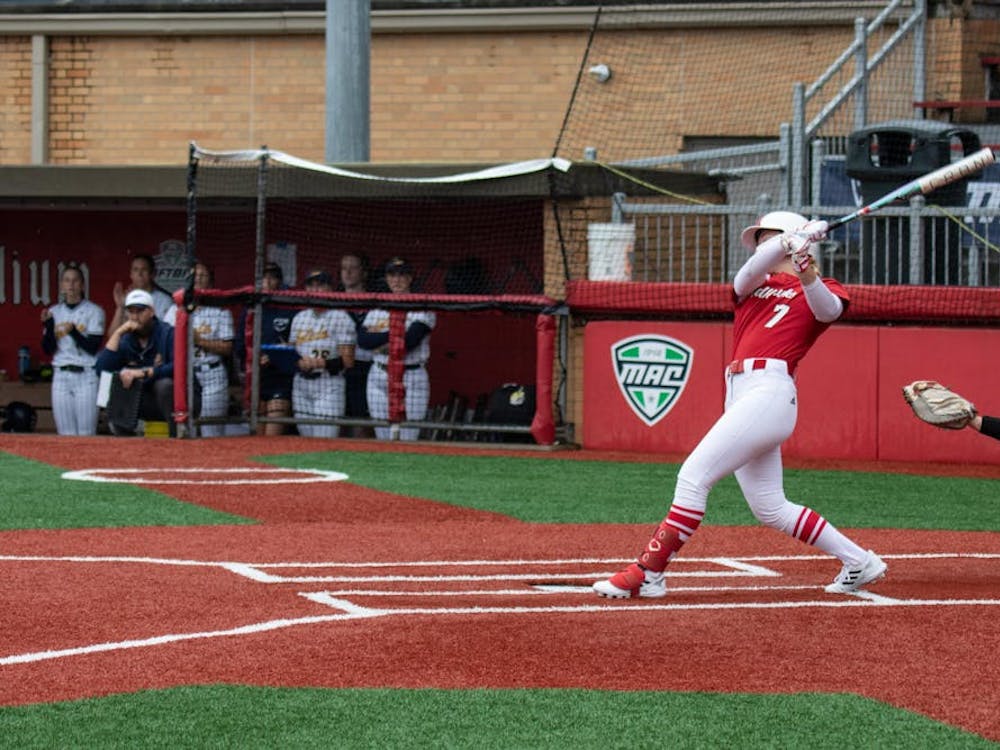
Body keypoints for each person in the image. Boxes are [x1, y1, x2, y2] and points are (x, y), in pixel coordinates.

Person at [593, 211, 887, 599]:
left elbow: (828, 311)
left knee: (694, 476)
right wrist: (788, 242)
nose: (762, 245)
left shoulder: (821, 285)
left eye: (770, 238)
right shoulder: (754, 285)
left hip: (771, 391)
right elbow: (745, 273)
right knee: (770, 506)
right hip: (741, 391)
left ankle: (650, 572)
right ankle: (860, 561)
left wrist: (805, 267)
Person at [359, 257, 435, 441]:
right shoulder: (377, 308)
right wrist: (394, 336)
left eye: (402, 275)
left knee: (409, 438)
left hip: (412, 374)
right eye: (392, 275)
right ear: (386, 278)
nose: (397, 280)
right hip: (379, 374)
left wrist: (382, 340)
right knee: (382, 436)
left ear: (410, 278)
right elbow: (364, 340)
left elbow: (410, 341)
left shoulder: (423, 306)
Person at [96, 288, 177, 436]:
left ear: (151, 312)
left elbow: (178, 367)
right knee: (111, 382)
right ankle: (125, 440)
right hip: (144, 400)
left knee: (164, 385)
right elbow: (101, 370)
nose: (135, 316)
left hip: (176, 404)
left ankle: (176, 436)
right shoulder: (127, 338)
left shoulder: (168, 333)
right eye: (131, 312)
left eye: (140, 311)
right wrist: (118, 333)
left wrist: (143, 372)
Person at [288, 269, 357, 438]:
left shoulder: (341, 317)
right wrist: (298, 362)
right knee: (306, 439)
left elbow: (348, 361)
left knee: (325, 440)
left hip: (328, 384)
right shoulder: (299, 318)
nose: (316, 290)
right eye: (311, 286)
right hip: (301, 384)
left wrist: (322, 363)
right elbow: (290, 352)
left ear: (330, 289)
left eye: (321, 285)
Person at [40, 262, 106, 435]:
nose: (71, 285)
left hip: (86, 374)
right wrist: (48, 325)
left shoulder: (94, 311)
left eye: (75, 281)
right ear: (61, 285)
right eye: (67, 280)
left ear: (82, 285)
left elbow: (93, 347)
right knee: (65, 434)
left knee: (86, 433)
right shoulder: (54, 312)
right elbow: (48, 349)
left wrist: (74, 332)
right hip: (61, 374)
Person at [235, 262, 299, 436]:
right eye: (263, 277)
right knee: (258, 437)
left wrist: (278, 354)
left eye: (272, 277)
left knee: (273, 436)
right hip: (255, 378)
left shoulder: (289, 307)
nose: (267, 281)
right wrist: (255, 357)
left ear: (279, 281)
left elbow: (297, 345)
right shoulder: (250, 309)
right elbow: (239, 345)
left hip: (280, 378)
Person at [188, 261, 233, 437]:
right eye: (194, 275)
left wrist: (200, 341)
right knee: (186, 430)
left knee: (211, 432)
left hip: (212, 371)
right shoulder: (178, 310)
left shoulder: (220, 312)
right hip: (187, 375)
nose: (198, 279)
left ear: (210, 282)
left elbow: (227, 347)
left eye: (202, 275)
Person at [340, 252, 374, 437]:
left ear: (364, 272)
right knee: (337, 419)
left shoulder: (374, 302)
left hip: (365, 366)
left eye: (353, 268)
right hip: (338, 366)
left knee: (361, 421)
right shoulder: (333, 302)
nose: (348, 272)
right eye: (344, 268)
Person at [109, 254, 177, 332]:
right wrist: (120, 307)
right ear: (131, 275)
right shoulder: (127, 298)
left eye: (144, 270)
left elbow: (168, 334)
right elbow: (112, 336)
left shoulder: (164, 300)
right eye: (136, 270)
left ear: (152, 274)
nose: (140, 274)